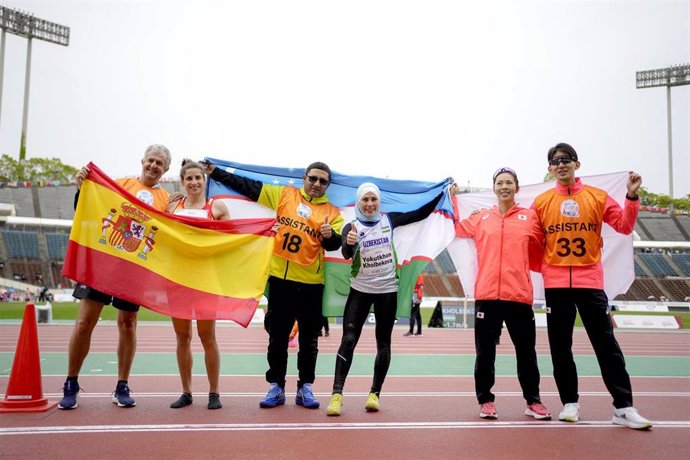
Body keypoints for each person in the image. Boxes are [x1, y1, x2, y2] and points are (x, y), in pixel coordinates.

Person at [203, 160, 343, 409]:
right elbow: (249, 187)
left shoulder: (332, 212)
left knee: (309, 341)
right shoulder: (284, 194)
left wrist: (330, 236)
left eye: (323, 181)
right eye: (313, 178)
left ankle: (305, 388)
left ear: (328, 185)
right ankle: (276, 386)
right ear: (304, 177)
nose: (317, 184)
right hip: (280, 280)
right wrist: (217, 173)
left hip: (311, 283)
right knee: (277, 338)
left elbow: (336, 245)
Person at [532, 142, 652, 429]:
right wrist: (546, 268)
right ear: (550, 169)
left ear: (577, 164)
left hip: (590, 283)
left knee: (606, 345)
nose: (562, 165)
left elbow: (624, 226)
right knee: (561, 348)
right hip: (556, 285)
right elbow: (533, 242)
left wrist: (631, 197)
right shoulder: (541, 202)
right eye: (556, 161)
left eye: (567, 160)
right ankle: (569, 403)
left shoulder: (598, 197)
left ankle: (623, 408)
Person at [58, 144, 172, 410]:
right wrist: (82, 187)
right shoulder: (120, 184)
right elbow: (89, 208)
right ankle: (71, 383)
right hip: (103, 263)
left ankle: (122, 385)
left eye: (160, 164)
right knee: (85, 322)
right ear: (142, 160)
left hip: (133, 269)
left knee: (128, 324)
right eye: (151, 160)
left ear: (165, 170)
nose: (154, 166)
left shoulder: (166, 199)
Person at [326, 182, 446, 416]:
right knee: (349, 341)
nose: (370, 204)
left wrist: (441, 195)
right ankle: (336, 395)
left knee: (383, 343)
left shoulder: (389, 221)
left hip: (387, 291)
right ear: (359, 202)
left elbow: (419, 214)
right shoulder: (351, 226)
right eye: (365, 200)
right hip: (359, 290)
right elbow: (346, 254)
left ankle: (374, 394)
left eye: (373, 200)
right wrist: (348, 244)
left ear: (379, 202)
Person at [451, 168, 551, 421]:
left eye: (509, 182)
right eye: (500, 182)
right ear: (494, 188)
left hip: (518, 295)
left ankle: (533, 401)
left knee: (526, 352)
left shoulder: (531, 218)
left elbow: (546, 246)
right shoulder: (481, 217)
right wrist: (451, 199)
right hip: (487, 295)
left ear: (517, 188)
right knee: (485, 353)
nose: (504, 186)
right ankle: (486, 401)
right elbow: (456, 227)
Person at [167, 159, 230, 410]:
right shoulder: (173, 207)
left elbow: (233, 239)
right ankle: (186, 391)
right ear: (182, 182)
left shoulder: (217, 207)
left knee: (207, 336)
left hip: (205, 279)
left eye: (198, 178)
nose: (194, 182)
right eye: (189, 178)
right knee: (182, 336)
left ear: (205, 181)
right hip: (178, 278)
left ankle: (214, 392)